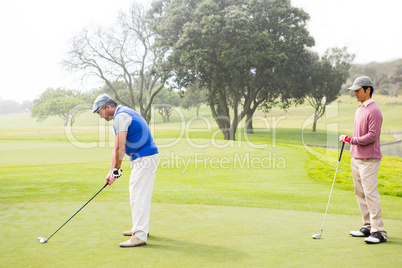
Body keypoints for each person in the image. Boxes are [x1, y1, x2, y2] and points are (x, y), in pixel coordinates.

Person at [92, 93, 159, 247]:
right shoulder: (122, 114)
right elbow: (115, 149)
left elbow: (120, 148)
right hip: (143, 157)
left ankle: (140, 235)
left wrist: (117, 170)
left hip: (144, 157)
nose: (101, 117)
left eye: (100, 113)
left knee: (138, 195)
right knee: (138, 194)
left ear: (108, 107)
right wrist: (111, 172)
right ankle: (140, 229)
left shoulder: (121, 117)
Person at [339, 76, 387, 244]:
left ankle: (379, 231)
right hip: (356, 158)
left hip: (369, 159)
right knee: (360, 193)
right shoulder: (360, 109)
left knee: (370, 193)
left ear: (368, 90)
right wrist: (351, 144)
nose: (355, 94)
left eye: (358, 90)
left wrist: (351, 140)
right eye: (354, 91)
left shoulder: (374, 110)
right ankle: (367, 226)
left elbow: (372, 136)